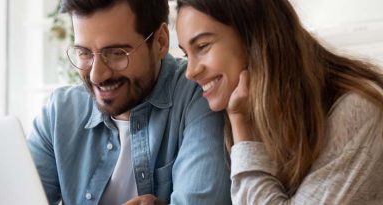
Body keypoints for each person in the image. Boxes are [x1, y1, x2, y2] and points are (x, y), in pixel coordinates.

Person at [176, 0, 383, 204]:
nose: (190, 72)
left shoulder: (358, 109)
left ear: (254, 35)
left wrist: (242, 130)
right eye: (186, 54)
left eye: (202, 46)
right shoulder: (248, 109)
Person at [27, 0, 232, 204]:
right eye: (84, 53)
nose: (97, 75)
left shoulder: (200, 94)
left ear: (160, 41)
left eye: (116, 53)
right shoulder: (58, 113)